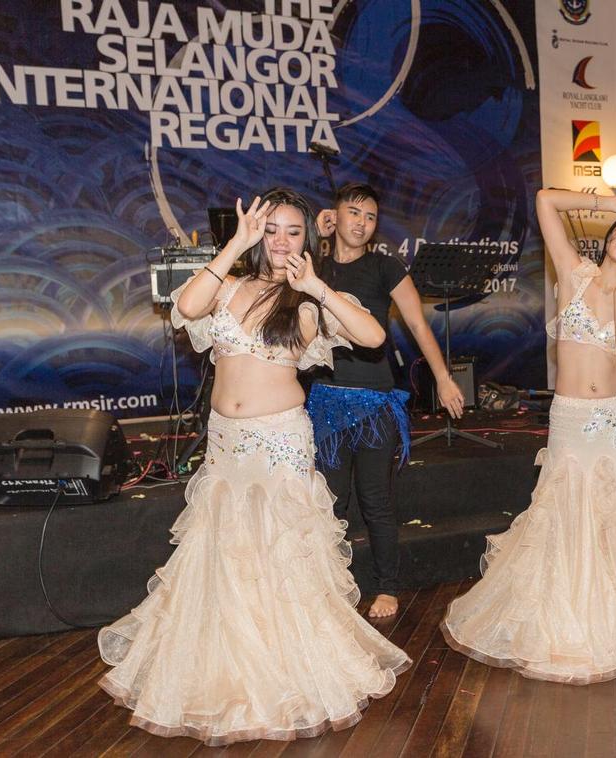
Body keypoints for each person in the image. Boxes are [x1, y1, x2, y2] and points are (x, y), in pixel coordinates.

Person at [98, 189, 410, 745]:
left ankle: (289, 675)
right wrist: (234, 244)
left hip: (280, 443)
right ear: (257, 233)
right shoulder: (230, 287)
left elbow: (374, 336)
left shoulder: (310, 301)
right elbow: (187, 308)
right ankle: (228, 671)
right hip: (226, 445)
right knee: (226, 553)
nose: (281, 240)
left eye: (292, 230)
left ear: (308, 238)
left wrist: (315, 286)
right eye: (271, 229)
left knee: (280, 555)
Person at [441, 188, 616, 684]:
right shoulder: (573, 271)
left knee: (612, 520)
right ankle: (564, 618)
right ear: (612, 233)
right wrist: (615, 204)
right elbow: (545, 200)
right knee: (564, 513)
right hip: (570, 419)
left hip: (614, 420)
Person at [309, 183, 465, 620]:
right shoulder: (314, 268)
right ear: (335, 216)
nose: (361, 222)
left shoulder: (384, 267)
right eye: (352, 212)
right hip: (324, 400)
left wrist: (443, 378)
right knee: (329, 504)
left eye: (370, 216)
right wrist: (312, 227)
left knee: (375, 500)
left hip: (376, 402)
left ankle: (386, 586)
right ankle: (327, 585)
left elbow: (418, 324)